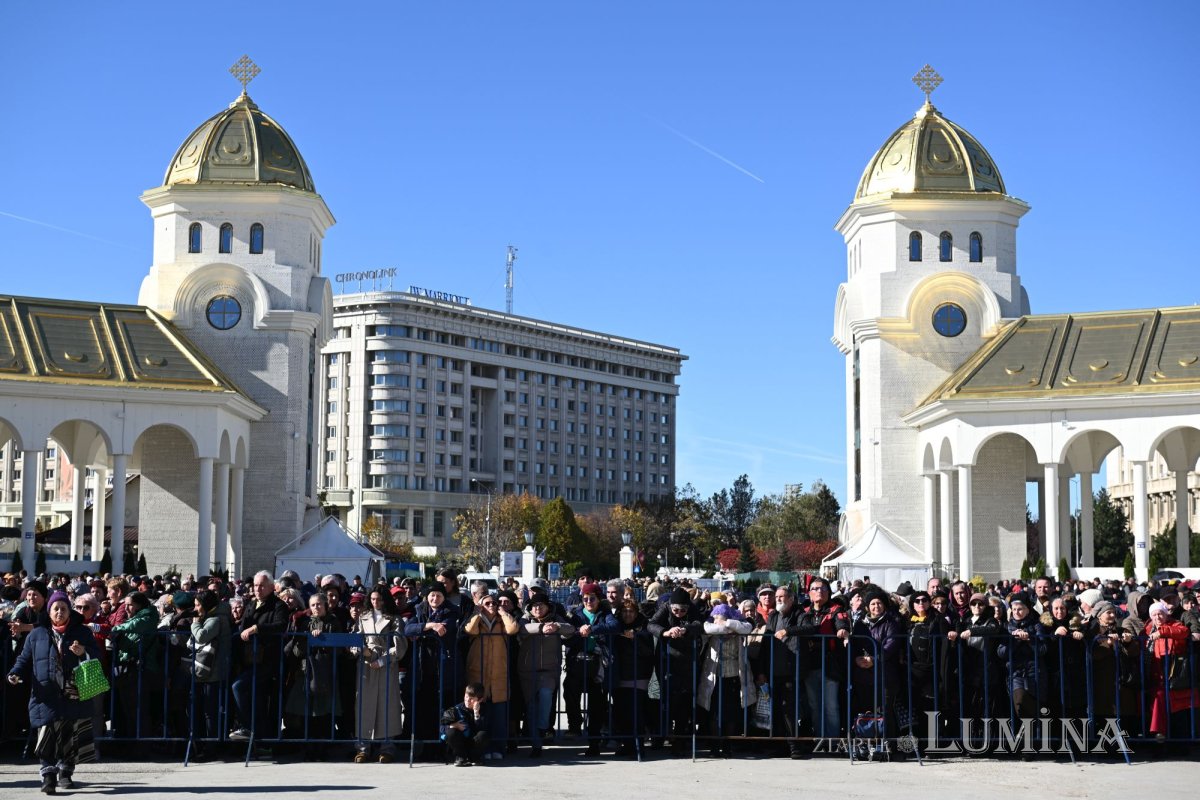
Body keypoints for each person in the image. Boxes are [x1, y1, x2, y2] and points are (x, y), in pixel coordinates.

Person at [7, 591, 101, 794]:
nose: (59, 612)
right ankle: (48, 776)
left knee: (69, 733)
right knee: (46, 734)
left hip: (73, 692)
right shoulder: (37, 634)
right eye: (55, 608)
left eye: (63, 608)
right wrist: (14, 673)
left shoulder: (82, 632)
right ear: (49, 612)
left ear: (69, 611)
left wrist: (83, 652)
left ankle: (65, 772)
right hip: (45, 692)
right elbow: (24, 659)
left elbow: (97, 654)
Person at [230, 571, 290, 741]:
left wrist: (257, 628)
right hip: (249, 658)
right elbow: (242, 628)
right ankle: (257, 737)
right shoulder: (251, 604)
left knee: (239, 686)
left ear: (271, 587)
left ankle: (248, 728)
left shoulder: (279, 605)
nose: (258, 589)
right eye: (256, 585)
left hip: (268, 660)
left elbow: (281, 625)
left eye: (262, 586)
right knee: (257, 699)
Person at [462, 590, 519, 760]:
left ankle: (499, 748)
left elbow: (513, 629)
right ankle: (483, 749)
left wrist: (503, 612)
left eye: (494, 603)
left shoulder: (502, 621)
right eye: (487, 603)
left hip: (498, 674)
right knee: (482, 715)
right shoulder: (477, 620)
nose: (492, 606)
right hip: (479, 673)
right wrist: (478, 612)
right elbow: (469, 630)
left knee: (499, 716)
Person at [353, 588, 406, 763]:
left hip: (386, 665)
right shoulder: (363, 617)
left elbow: (400, 644)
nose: (376, 602)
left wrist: (384, 660)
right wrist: (358, 649)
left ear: (385, 600)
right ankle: (362, 748)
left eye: (379, 599)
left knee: (387, 705)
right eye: (373, 599)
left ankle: (387, 748)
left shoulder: (394, 619)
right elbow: (356, 638)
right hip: (366, 665)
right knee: (364, 705)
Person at [517, 595, 574, 757]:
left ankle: (542, 729)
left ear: (548, 606)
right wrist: (540, 628)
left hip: (549, 670)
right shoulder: (525, 618)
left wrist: (557, 626)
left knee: (546, 695)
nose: (537, 608)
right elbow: (521, 629)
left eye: (541, 605)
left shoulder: (556, 619)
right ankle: (536, 744)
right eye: (534, 606)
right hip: (528, 670)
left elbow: (570, 630)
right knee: (531, 706)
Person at [564, 582, 618, 755]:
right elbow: (568, 636)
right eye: (585, 598)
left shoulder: (605, 613)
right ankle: (575, 725)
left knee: (597, 704)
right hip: (578, 662)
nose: (588, 601)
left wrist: (592, 629)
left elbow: (614, 626)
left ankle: (594, 742)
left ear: (598, 598)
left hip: (597, 664)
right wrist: (579, 633)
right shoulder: (576, 614)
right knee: (569, 691)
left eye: (592, 598)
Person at [698, 603, 755, 757]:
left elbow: (748, 627)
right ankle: (715, 746)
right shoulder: (712, 629)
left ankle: (727, 746)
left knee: (731, 714)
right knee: (714, 713)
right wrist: (726, 627)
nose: (717, 621)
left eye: (720, 618)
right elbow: (708, 628)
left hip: (734, 677)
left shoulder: (737, 626)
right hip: (714, 677)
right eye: (715, 618)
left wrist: (728, 624)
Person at [188, 589, 231, 759]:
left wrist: (195, 623)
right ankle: (203, 745)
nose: (196, 608)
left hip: (214, 672)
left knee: (210, 712)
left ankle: (211, 747)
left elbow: (201, 636)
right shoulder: (212, 617)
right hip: (206, 671)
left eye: (198, 605)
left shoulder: (216, 619)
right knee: (203, 710)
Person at [441, 682, 488, 767]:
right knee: (451, 732)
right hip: (460, 741)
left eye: (472, 699)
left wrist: (476, 714)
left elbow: (484, 728)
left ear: (480, 700)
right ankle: (460, 757)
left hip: (473, 741)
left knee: (482, 735)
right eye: (466, 697)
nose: (467, 700)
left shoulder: (484, 709)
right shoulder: (457, 708)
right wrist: (453, 725)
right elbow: (442, 726)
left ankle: (475, 757)